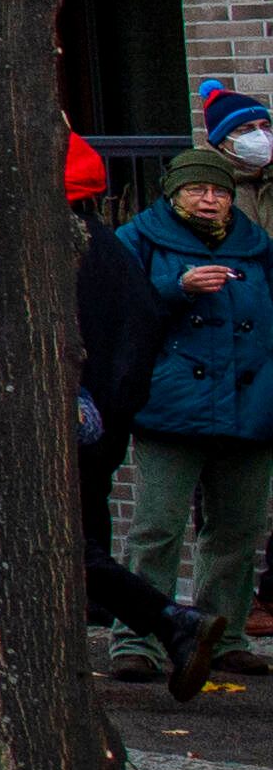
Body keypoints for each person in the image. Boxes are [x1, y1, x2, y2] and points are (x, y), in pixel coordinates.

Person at [119, 152, 273, 695]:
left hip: (249, 409)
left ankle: (223, 638)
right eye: (197, 191)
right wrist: (176, 288)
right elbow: (118, 313)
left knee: (235, 529)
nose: (209, 200)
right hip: (172, 407)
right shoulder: (139, 239)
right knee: (157, 528)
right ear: (173, 193)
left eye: (220, 191)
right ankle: (136, 640)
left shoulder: (257, 246)